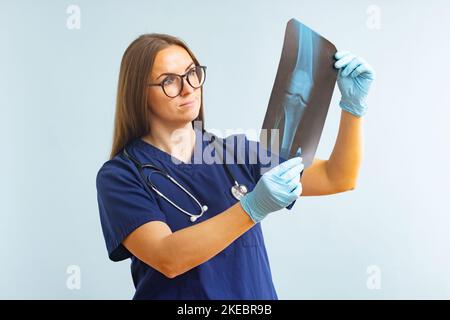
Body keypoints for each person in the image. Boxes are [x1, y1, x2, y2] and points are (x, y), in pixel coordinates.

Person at [96, 33, 375, 300]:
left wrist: (353, 108)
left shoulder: (237, 153)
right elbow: (168, 258)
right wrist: (252, 208)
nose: (188, 87)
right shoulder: (121, 176)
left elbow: (337, 177)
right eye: (169, 81)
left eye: (192, 73)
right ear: (138, 93)